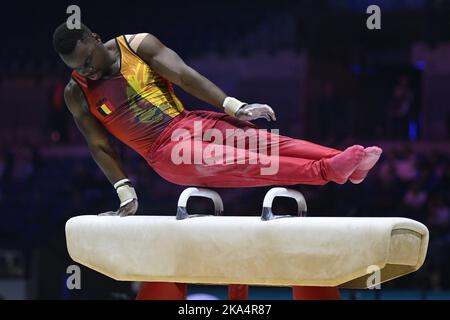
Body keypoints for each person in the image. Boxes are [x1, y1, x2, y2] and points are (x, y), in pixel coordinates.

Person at [53, 22, 382, 299]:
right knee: (248, 162)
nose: (87, 69)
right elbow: (98, 144)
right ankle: (329, 171)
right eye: (78, 67)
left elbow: (183, 75)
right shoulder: (77, 92)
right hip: (165, 152)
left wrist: (234, 106)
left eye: (87, 60)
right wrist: (126, 192)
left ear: (94, 39)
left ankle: (342, 163)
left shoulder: (137, 46)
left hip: (189, 123)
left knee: (265, 143)